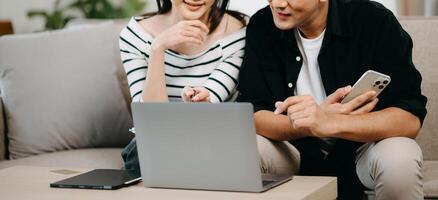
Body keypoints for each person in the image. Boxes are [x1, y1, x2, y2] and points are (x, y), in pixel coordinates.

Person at [236, 0, 427, 199]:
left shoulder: (373, 20)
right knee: (244, 151)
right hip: (294, 147)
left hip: (362, 147)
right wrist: (305, 125)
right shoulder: (263, 24)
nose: (278, 4)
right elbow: (253, 113)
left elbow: (409, 119)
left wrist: (331, 123)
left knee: (400, 157)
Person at [119, 0, 247, 176]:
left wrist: (199, 99)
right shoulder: (135, 35)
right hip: (158, 138)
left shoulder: (238, 32)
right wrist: (158, 48)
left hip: (212, 134)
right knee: (143, 149)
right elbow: (151, 122)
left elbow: (212, 100)